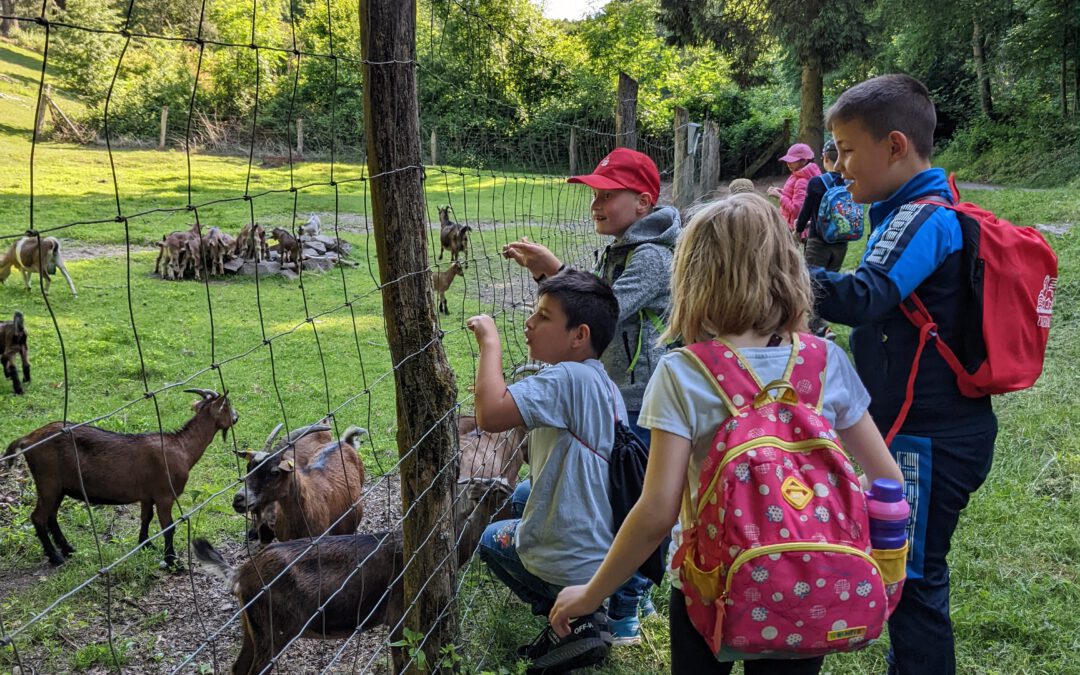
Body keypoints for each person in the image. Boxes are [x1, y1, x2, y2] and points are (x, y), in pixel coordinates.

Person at [547, 193, 905, 675]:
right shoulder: (825, 361)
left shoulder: (684, 372)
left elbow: (656, 513)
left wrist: (592, 594)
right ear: (788, 267)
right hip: (808, 582)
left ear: (694, 278)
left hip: (706, 583)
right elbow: (887, 482)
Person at [807, 73, 998, 675]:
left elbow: (866, 296)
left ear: (894, 146)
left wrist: (772, 273)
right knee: (908, 572)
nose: (837, 166)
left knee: (913, 580)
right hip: (919, 433)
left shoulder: (923, 217)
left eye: (845, 149)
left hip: (932, 439)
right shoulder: (903, 212)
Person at [502, 146, 679, 643]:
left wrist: (554, 273)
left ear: (643, 202)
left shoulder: (649, 256)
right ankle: (627, 592)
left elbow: (602, 314)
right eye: (594, 195)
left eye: (608, 195)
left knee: (628, 499)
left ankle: (620, 609)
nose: (596, 205)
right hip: (620, 393)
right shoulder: (626, 246)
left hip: (640, 398)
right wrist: (551, 275)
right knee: (620, 495)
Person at [467, 269, 623, 673]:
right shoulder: (601, 381)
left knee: (489, 540)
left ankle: (575, 618)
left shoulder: (567, 377)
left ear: (579, 335)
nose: (530, 324)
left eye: (544, 317)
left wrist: (490, 340)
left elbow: (489, 412)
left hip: (573, 557)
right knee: (522, 495)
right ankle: (584, 611)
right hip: (607, 552)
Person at [795, 138, 848, 337]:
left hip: (819, 242)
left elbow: (806, 212)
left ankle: (819, 328)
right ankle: (823, 325)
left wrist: (798, 229)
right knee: (827, 284)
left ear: (825, 158)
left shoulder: (817, 183)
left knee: (809, 284)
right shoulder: (849, 181)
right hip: (841, 243)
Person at [767, 142, 822, 235]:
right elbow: (796, 195)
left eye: (792, 160)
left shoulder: (802, 180)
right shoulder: (798, 174)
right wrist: (782, 192)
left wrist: (780, 197)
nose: (788, 163)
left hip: (793, 229)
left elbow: (796, 210)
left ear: (804, 161)